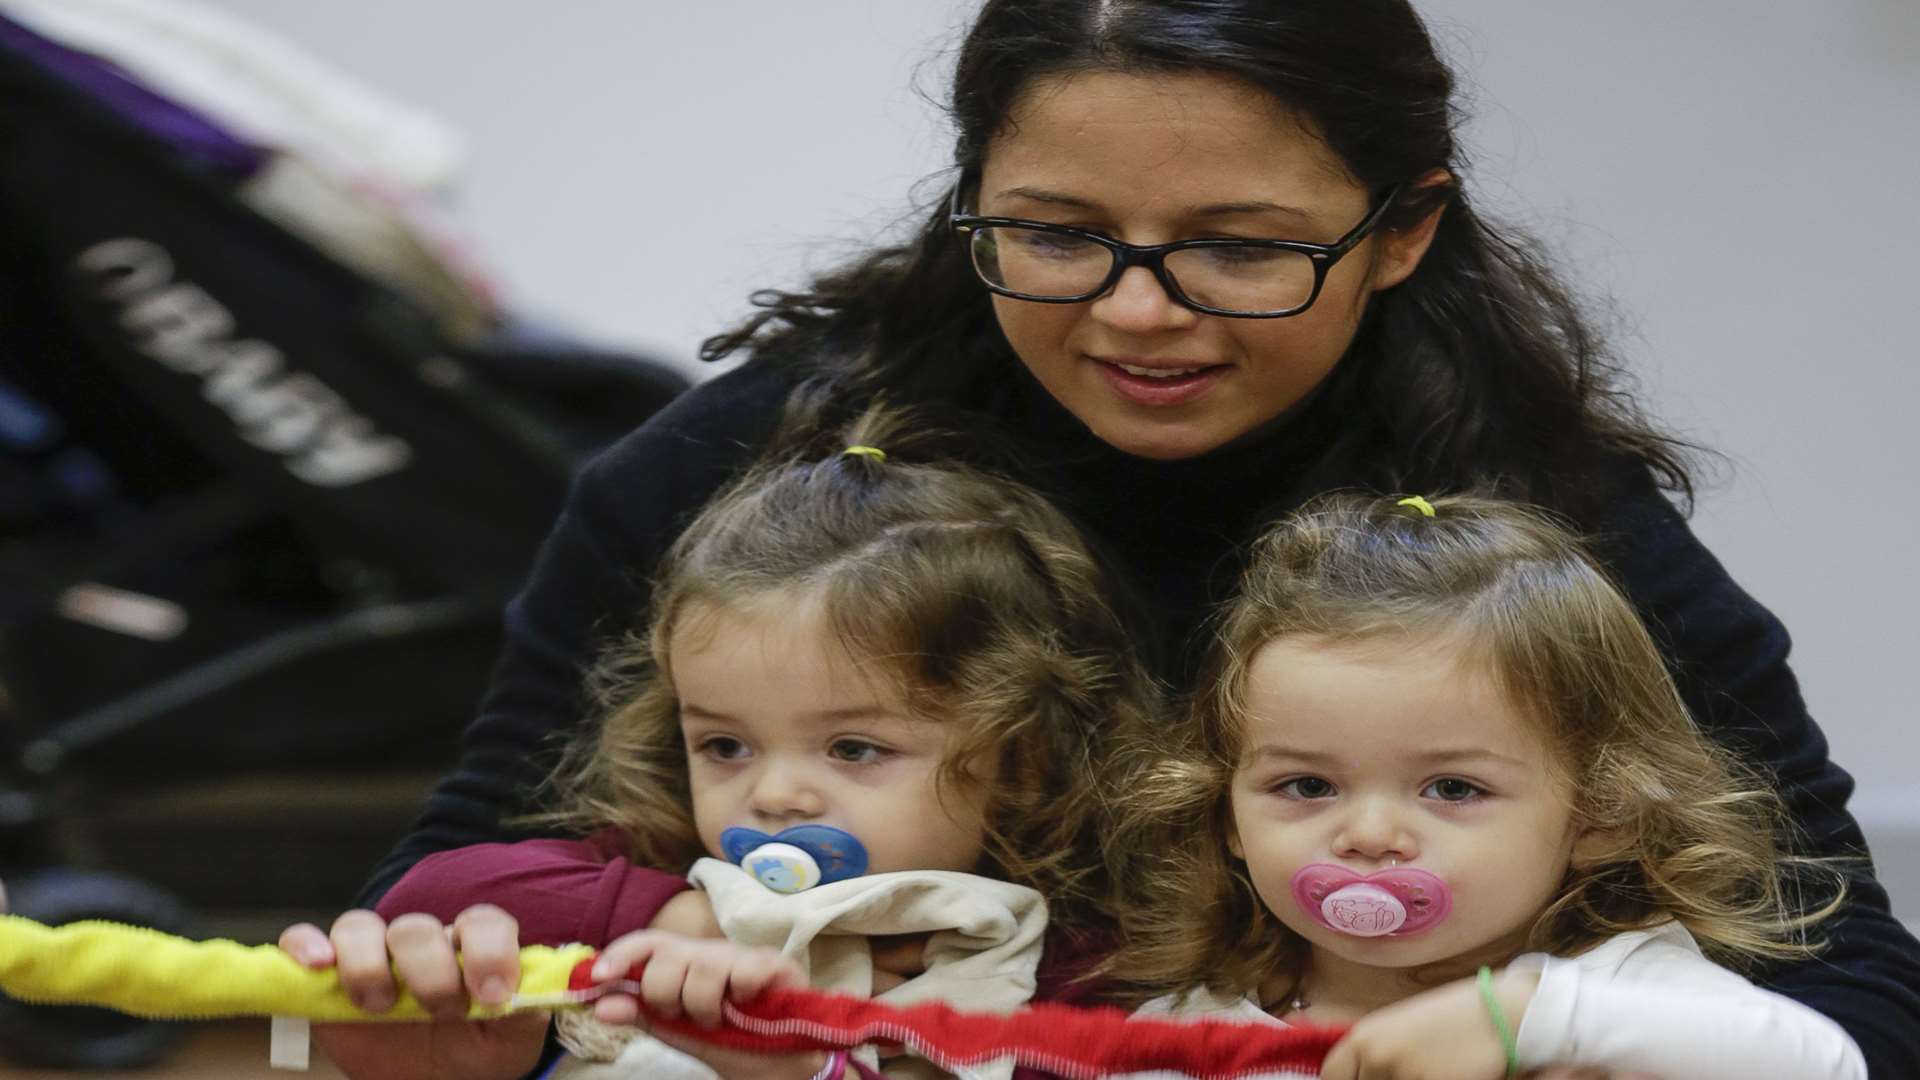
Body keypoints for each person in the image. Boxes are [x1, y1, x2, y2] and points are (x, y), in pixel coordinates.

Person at [280, 1, 1920, 1076]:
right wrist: (505, 978)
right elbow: (455, 874)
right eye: (1054, 235)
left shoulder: (1540, 536)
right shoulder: (738, 481)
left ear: (1404, 231)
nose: (1138, 315)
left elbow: (1854, 987)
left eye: (1239, 249)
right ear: (966, 200)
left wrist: (1553, 1031)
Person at [298, 405, 1155, 1080]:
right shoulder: (667, 873)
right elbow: (435, 894)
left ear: (1023, 756)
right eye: (726, 747)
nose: (774, 795)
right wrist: (686, 919)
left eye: (854, 749)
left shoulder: (1080, 967)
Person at [1100, 493, 1865, 1080]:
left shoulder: (1620, 994)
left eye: (1453, 790)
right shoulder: (1192, 1026)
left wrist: (1524, 1018)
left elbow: (1825, 1062)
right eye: (1306, 785)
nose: (1368, 833)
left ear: (1601, 812)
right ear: (1225, 809)